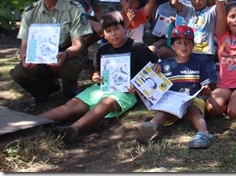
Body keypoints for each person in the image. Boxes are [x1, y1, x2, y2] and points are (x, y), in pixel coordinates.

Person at [39, 11, 157, 143]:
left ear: (125, 28)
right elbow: (95, 71)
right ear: (104, 34)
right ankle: (31, 122)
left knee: (105, 104)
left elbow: (154, 69)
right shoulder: (103, 50)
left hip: (125, 93)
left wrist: (138, 85)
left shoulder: (137, 47)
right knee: (71, 105)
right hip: (101, 88)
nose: (113, 33)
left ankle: (73, 129)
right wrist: (95, 76)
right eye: (109, 30)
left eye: (117, 29)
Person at [10, 0, 93, 106]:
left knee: (69, 65)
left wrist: (64, 55)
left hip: (68, 53)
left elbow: (78, 45)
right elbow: (24, 45)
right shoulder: (30, 12)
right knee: (19, 72)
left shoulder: (74, 8)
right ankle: (45, 91)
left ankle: (70, 89)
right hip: (40, 57)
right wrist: (25, 57)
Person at [136, 25, 218, 148]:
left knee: (194, 110)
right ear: (173, 46)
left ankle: (204, 133)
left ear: (193, 45)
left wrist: (206, 91)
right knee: (163, 112)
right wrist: (155, 70)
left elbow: (205, 85)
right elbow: (155, 84)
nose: (183, 46)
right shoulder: (165, 64)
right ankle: (151, 126)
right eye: (179, 43)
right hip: (172, 102)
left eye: (188, 42)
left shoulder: (199, 63)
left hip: (192, 99)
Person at [170, 0, 218, 75]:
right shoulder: (188, 10)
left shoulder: (210, 12)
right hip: (188, 52)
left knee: (208, 81)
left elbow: (221, 6)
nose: (197, 1)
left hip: (205, 54)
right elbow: (174, 2)